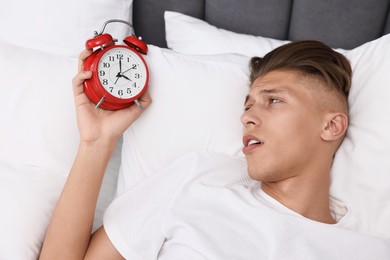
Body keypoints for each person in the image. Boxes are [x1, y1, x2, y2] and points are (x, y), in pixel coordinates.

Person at [39, 41, 390, 259]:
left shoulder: (368, 252)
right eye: (248, 103)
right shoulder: (201, 179)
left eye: (274, 100)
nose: (248, 116)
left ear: (331, 126)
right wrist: (96, 142)